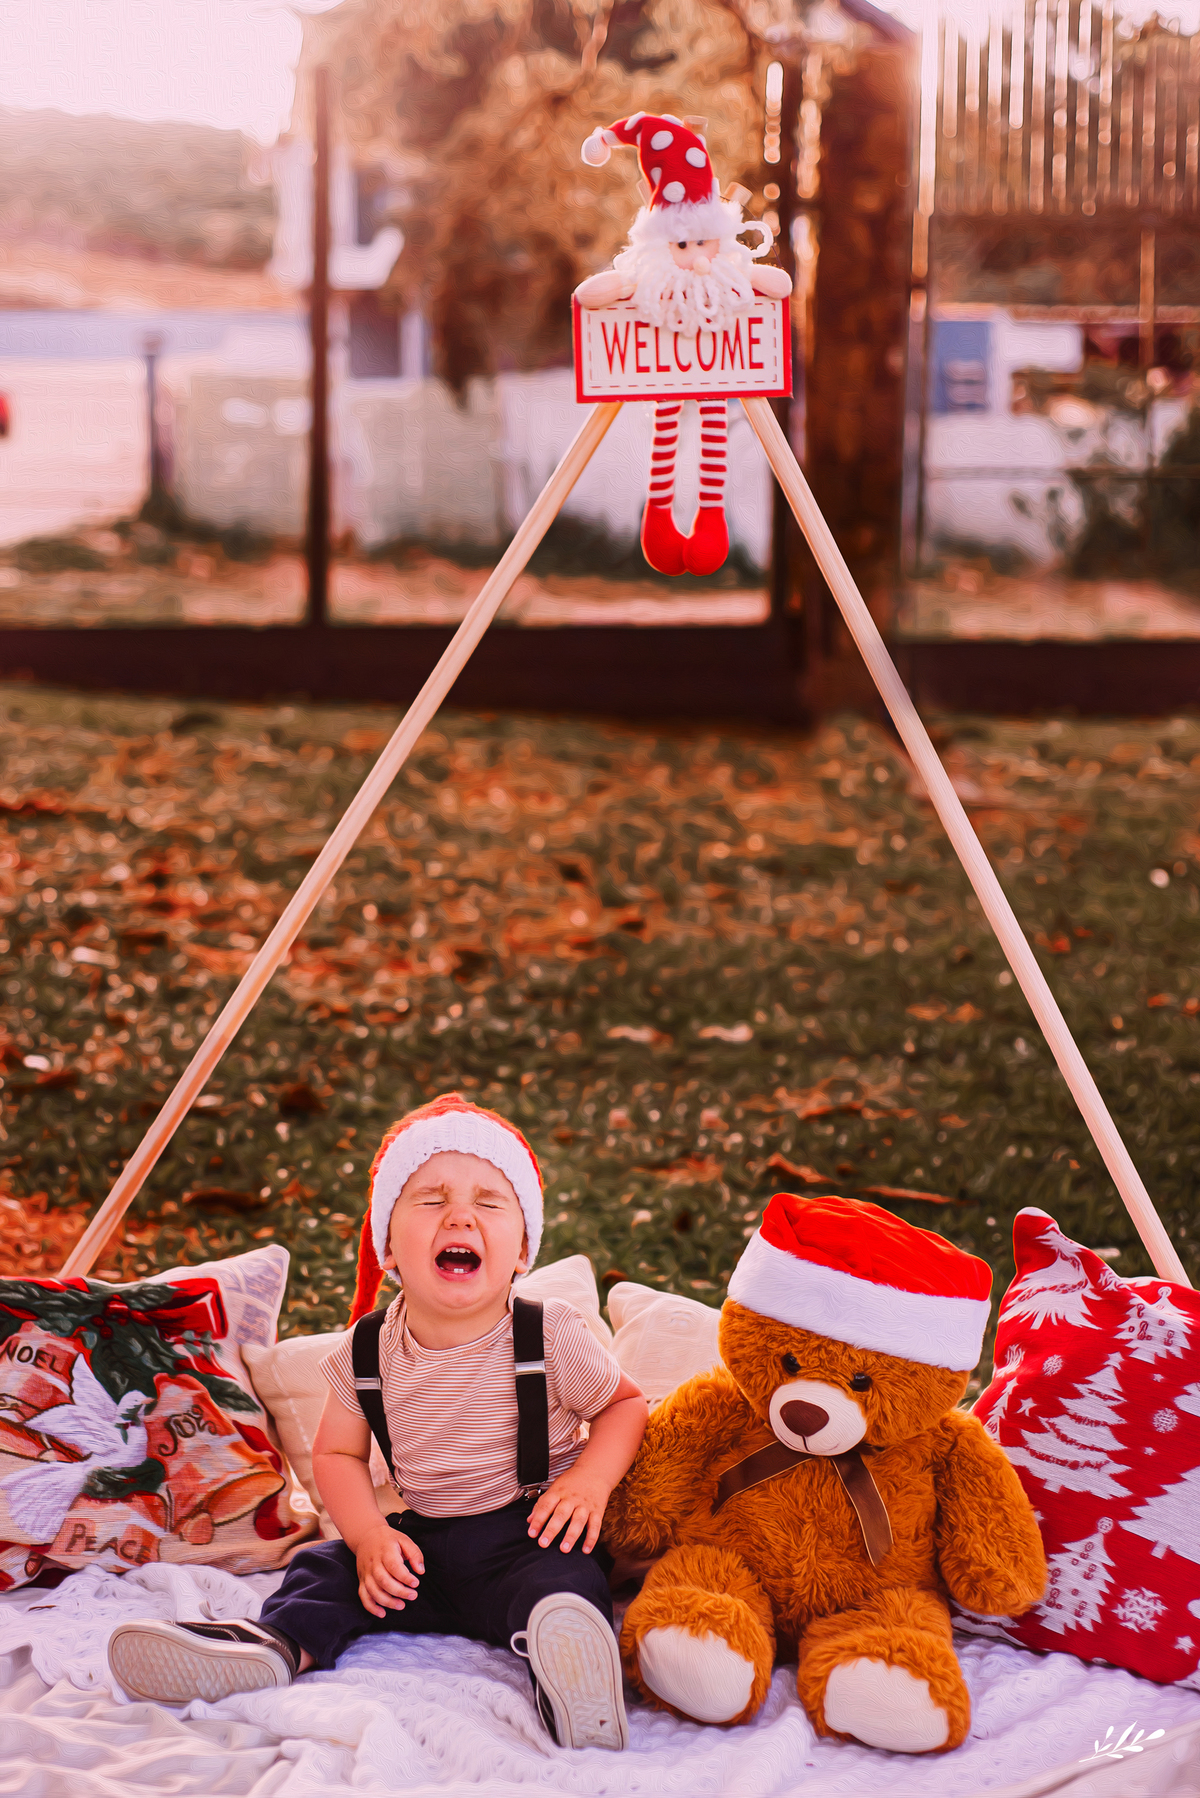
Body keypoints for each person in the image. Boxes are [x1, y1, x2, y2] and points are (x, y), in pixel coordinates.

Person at [107, 1093, 648, 1751]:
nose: (460, 1216)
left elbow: (624, 1405)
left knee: (563, 1582)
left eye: (489, 1202)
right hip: (421, 1551)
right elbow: (336, 1456)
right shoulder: (368, 1349)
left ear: (522, 1248)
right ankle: (273, 1647)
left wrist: (590, 1481)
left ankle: (570, 1675)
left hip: (528, 1535)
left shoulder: (548, 1334)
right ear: (387, 1244)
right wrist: (366, 1538)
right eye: (430, 1200)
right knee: (322, 1569)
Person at [573, 112, 793, 578]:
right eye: (683, 246)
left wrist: (752, 276)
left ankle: (709, 515)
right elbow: (592, 295)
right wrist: (612, 288)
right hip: (668, 373)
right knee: (665, 431)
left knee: (714, 427)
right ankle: (659, 516)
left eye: (705, 244)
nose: (696, 261)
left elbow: (776, 284)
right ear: (660, 245)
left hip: (718, 373)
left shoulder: (728, 274)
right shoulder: (648, 280)